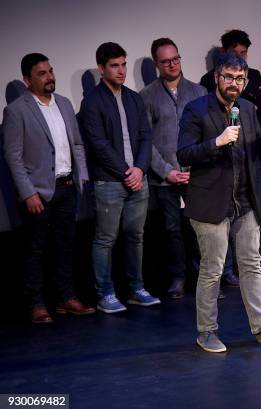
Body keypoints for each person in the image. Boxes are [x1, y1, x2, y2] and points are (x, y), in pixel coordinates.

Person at [177, 53, 261, 353]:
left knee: (251, 265)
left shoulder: (248, 109)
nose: (233, 83)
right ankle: (207, 332)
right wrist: (216, 142)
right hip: (210, 203)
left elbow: (257, 147)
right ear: (217, 77)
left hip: (245, 200)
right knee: (213, 268)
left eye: (239, 78)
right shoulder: (196, 110)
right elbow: (184, 154)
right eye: (228, 77)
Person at [3, 53, 94, 323]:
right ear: (27, 79)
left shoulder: (64, 104)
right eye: (42, 73)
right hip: (38, 193)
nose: (50, 77)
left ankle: (66, 298)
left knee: (65, 246)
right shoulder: (17, 110)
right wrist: (28, 192)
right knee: (36, 249)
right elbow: (13, 155)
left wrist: (83, 177)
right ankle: (36, 303)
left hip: (67, 187)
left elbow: (77, 144)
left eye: (51, 71)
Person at [80, 42, 160, 313]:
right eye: (114, 65)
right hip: (110, 181)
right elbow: (98, 144)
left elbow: (146, 137)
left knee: (135, 237)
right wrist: (128, 172)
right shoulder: (91, 101)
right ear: (101, 69)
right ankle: (105, 294)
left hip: (138, 178)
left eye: (123, 64)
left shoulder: (134, 97)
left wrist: (139, 169)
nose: (121, 70)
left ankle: (136, 289)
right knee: (105, 239)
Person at [200, 29, 261, 282]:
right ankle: (228, 270)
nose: (241, 58)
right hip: (227, 159)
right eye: (236, 53)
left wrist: (249, 98)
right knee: (229, 214)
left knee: (260, 213)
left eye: (244, 53)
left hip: (255, 153)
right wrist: (246, 98)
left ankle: (257, 263)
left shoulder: (253, 76)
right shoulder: (208, 80)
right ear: (224, 54)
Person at [140, 38, 207, 299]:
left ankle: (204, 279)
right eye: (166, 61)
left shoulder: (199, 92)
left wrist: (199, 167)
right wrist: (166, 170)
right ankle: (178, 278)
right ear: (157, 64)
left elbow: (207, 134)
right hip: (166, 179)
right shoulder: (146, 96)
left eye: (175, 59)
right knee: (173, 230)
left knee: (201, 229)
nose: (172, 65)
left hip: (197, 175)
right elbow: (146, 140)